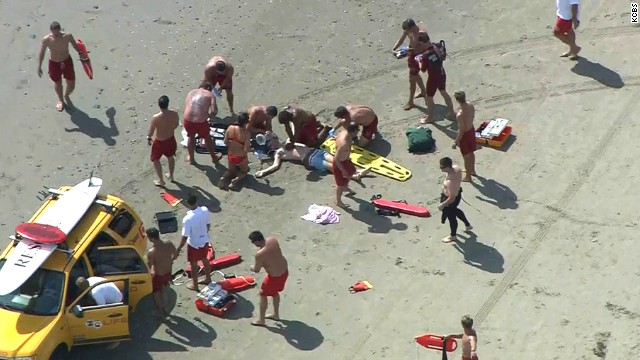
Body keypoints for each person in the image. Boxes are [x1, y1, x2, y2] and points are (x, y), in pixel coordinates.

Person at [255, 140, 370, 179]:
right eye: (271, 141)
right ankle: (354, 176)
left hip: (314, 151)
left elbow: (301, 143)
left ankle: (357, 170)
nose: (274, 139)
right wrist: (263, 172)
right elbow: (275, 165)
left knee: (336, 161)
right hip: (308, 159)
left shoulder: (287, 141)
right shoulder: (279, 153)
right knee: (332, 167)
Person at [37, 21, 84, 112]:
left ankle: (66, 95)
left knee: (71, 84)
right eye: (54, 33)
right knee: (58, 83)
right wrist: (39, 66)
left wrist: (81, 53)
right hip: (54, 63)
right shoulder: (47, 40)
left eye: (58, 32)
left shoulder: (67, 36)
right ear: (51, 31)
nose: (56, 34)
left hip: (67, 61)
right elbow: (42, 53)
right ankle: (61, 100)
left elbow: (75, 45)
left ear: (60, 29)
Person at [248, 231, 289, 327]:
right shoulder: (273, 240)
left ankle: (261, 320)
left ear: (257, 241)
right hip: (284, 272)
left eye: (252, 242)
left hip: (274, 278)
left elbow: (257, 270)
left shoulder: (260, 254)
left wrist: (252, 267)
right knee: (274, 293)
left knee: (263, 294)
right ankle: (276, 315)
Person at [175, 194, 212, 291]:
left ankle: (195, 286)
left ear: (187, 203)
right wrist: (203, 233)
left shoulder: (187, 219)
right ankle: (208, 278)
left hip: (194, 244)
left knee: (194, 265)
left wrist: (179, 248)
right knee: (205, 259)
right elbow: (208, 225)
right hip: (204, 240)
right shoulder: (205, 210)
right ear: (196, 201)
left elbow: (185, 236)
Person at [391, 18, 429, 111]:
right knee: (415, 76)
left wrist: (408, 50)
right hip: (411, 56)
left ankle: (411, 101)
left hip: (418, 57)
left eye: (407, 30)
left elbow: (426, 47)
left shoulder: (421, 34)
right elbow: (401, 40)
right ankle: (424, 92)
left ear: (411, 28)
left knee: (412, 79)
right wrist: (394, 49)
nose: (406, 32)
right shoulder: (408, 31)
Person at [418, 33, 456, 124]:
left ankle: (430, 117)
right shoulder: (437, 45)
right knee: (443, 92)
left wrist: (419, 62)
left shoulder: (425, 55)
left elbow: (423, 70)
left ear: (422, 42)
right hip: (442, 72)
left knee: (429, 97)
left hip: (433, 77)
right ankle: (452, 112)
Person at [183, 81, 222, 165]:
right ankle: (214, 158)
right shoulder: (209, 94)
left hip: (187, 120)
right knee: (207, 138)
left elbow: (188, 105)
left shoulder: (191, 92)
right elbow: (214, 111)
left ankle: (191, 159)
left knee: (191, 137)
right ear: (209, 89)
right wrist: (209, 116)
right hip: (200, 122)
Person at [147, 95, 179, 186]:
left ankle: (161, 180)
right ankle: (171, 176)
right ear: (167, 104)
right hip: (170, 139)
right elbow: (176, 124)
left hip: (160, 141)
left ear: (159, 105)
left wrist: (148, 138)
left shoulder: (156, 117)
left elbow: (151, 130)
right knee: (170, 157)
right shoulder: (174, 113)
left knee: (156, 159)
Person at [438, 157, 472, 243]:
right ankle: (467, 225)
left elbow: (451, 197)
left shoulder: (450, 182)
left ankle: (453, 235)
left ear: (448, 167)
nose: (440, 168)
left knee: (451, 218)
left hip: (451, 199)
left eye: (442, 167)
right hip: (458, 194)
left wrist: (443, 204)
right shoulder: (457, 168)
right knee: (455, 210)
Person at [146, 227, 177, 319]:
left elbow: (149, 266)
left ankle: (160, 312)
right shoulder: (169, 243)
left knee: (156, 294)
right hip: (168, 272)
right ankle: (166, 307)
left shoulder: (152, 252)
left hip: (158, 275)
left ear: (151, 239)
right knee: (164, 289)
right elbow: (175, 255)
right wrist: (170, 261)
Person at [219, 112, 252, 190]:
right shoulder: (246, 133)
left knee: (231, 171)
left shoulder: (230, 128)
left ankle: (223, 178)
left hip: (231, 154)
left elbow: (225, 142)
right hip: (241, 156)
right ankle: (235, 181)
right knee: (244, 171)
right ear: (245, 122)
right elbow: (246, 149)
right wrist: (253, 149)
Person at [333, 122, 359, 208]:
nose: (358, 132)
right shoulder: (344, 143)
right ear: (354, 131)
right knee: (341, 185)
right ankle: (338, 201)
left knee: (351, 173)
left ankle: (346, 187)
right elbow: (336, 159)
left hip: (346, 160)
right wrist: (342, 170)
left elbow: (337, 138)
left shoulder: (344, 132)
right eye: (357, 130)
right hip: (340, 163)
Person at [452, 91, 477, 182]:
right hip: (471, 130)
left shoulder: (460, 115)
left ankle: (468, 176)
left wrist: (455, 141)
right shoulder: (470, 105)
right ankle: (472, 170)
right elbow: (473, 115)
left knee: (466, 156)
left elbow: (461, 130)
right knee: (471, 152)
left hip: (465, 135)